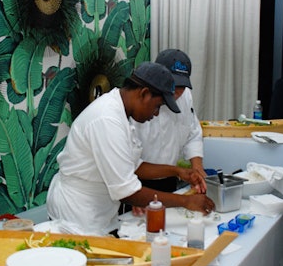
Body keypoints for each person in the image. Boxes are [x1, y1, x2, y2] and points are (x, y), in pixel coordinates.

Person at [46, 62, 215, 236]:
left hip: (99, 213)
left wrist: (177, 171)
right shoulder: (107, 119)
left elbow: (135, 166)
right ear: (144, 93)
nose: (156, 114)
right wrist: (186, 201)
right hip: (78, 215)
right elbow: (128, 192)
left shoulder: (121, 112)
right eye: (157, 106)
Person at [127, 49, 205, 215]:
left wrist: (197, 168)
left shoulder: (186, 97)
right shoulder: (138, 105)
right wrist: (135, 194)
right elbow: (129, 162)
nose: (177, 92)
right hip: (139, 183)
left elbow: (193, 133)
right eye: (173, 85)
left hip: (170, 180)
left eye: (182, 86)